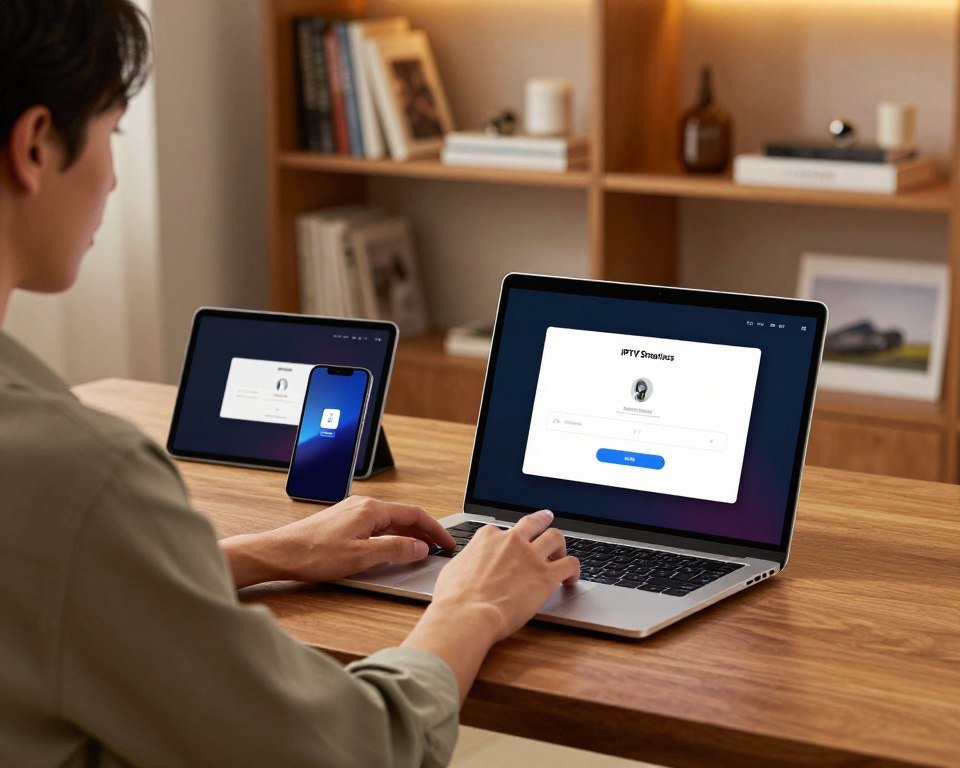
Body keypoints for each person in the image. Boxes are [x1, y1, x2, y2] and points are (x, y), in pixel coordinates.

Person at [0, 2, 580, 766]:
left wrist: (264, 554)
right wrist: (469, 608)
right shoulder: (78, 475)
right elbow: (356, 749)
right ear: (36, 145)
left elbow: (45, 592)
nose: (112, 176)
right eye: (114, 133)